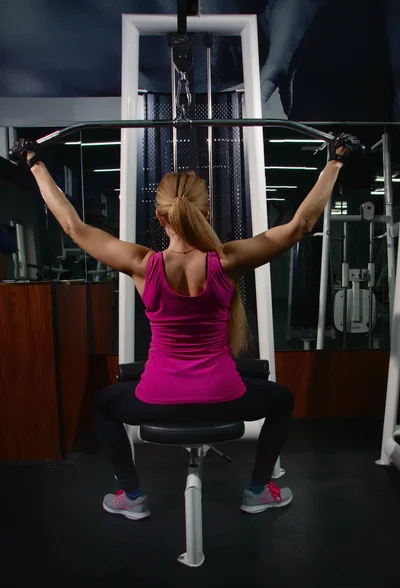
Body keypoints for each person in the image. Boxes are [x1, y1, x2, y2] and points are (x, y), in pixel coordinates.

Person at [9, 133, 360, 521]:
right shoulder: (226, 261)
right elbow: (298, 227)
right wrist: (335, 162)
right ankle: (259, 490)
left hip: (157, 397)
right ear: (206, 214)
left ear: (160, 217)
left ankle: (132, 495)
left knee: (106, 404)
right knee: (281, 398)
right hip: (222, 394)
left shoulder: (143, 264)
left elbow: (73, 227)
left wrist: (33, 162)